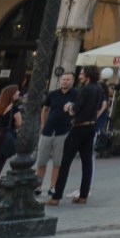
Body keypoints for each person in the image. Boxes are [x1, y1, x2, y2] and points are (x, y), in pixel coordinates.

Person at [50, 67, 106, 204]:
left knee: (66, 161)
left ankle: (56, 196)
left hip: (79, 127)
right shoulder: (99, 89)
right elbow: (98, 107)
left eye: (82, 73)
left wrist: (68, 107)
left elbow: (75, 110)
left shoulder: (85, 89)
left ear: (88, 75)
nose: (80, 76)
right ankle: (83, 195)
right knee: (87, 162)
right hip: (91, 126)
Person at [33, 71, 74, 200]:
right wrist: (43, 125)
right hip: (48, 131)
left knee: (58, 161)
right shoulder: (53, 94)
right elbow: (45, 109)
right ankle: (38, 186)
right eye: (63, 79)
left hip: (63, 131)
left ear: (72, 82)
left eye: (68, 79)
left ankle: (52, 186)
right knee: (41, 160)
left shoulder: (75, 95)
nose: (65, 81)